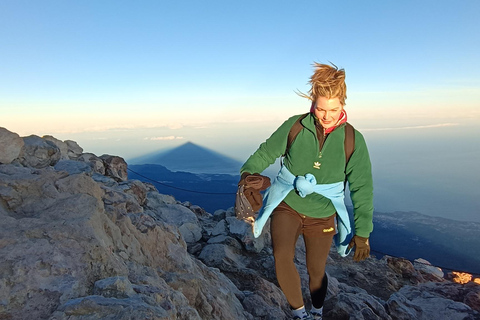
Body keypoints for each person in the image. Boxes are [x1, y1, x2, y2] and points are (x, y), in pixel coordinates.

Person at [238, 63, 374, 320]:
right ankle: (300, 315)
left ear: (343, 105)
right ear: (313, 103)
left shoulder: (352, 140)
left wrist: (363, 232)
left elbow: (362, 187)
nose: (326, 115)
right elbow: (266, 152)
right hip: (287, 204)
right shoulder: (296, 126)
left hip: (322, 214)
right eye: (321, 108)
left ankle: (317, 312)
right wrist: (248, 173)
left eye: (333, 109)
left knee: (316, 270)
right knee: (281, 256)